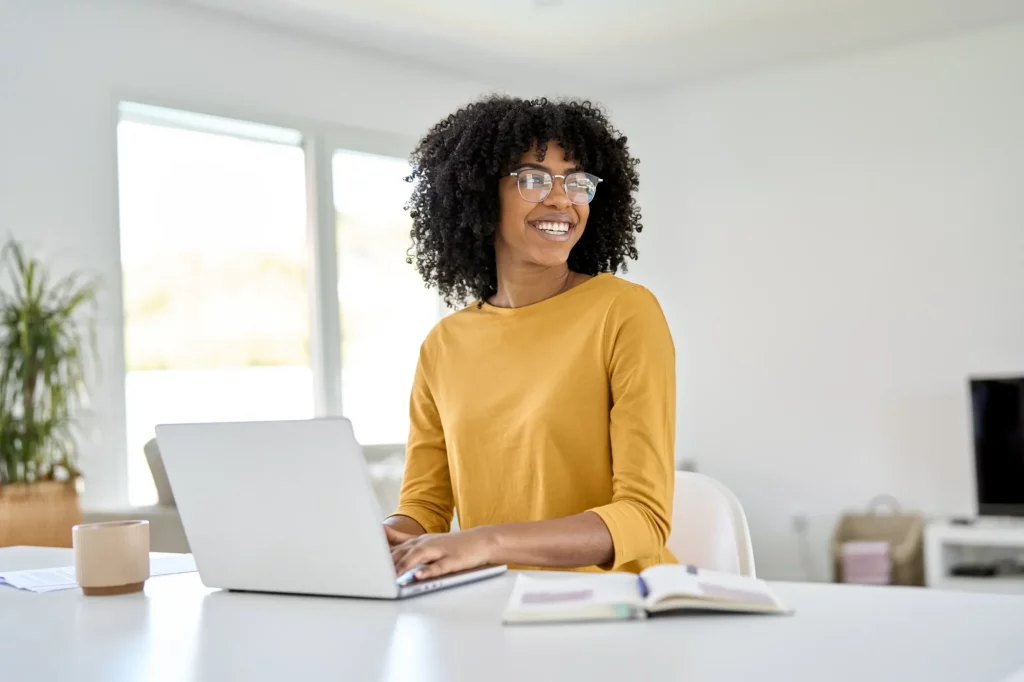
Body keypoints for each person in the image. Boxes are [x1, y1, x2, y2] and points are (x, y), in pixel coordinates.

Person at [384, 95, 676, 581]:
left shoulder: (624, 312)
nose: (562, 199)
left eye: (578, 182)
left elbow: (644, 518)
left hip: (617, 610)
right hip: (494, 606)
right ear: (479, 193)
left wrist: (487, 542)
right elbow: (425, 507)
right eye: (533, 179)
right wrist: (386, 536)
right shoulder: (445, 343)